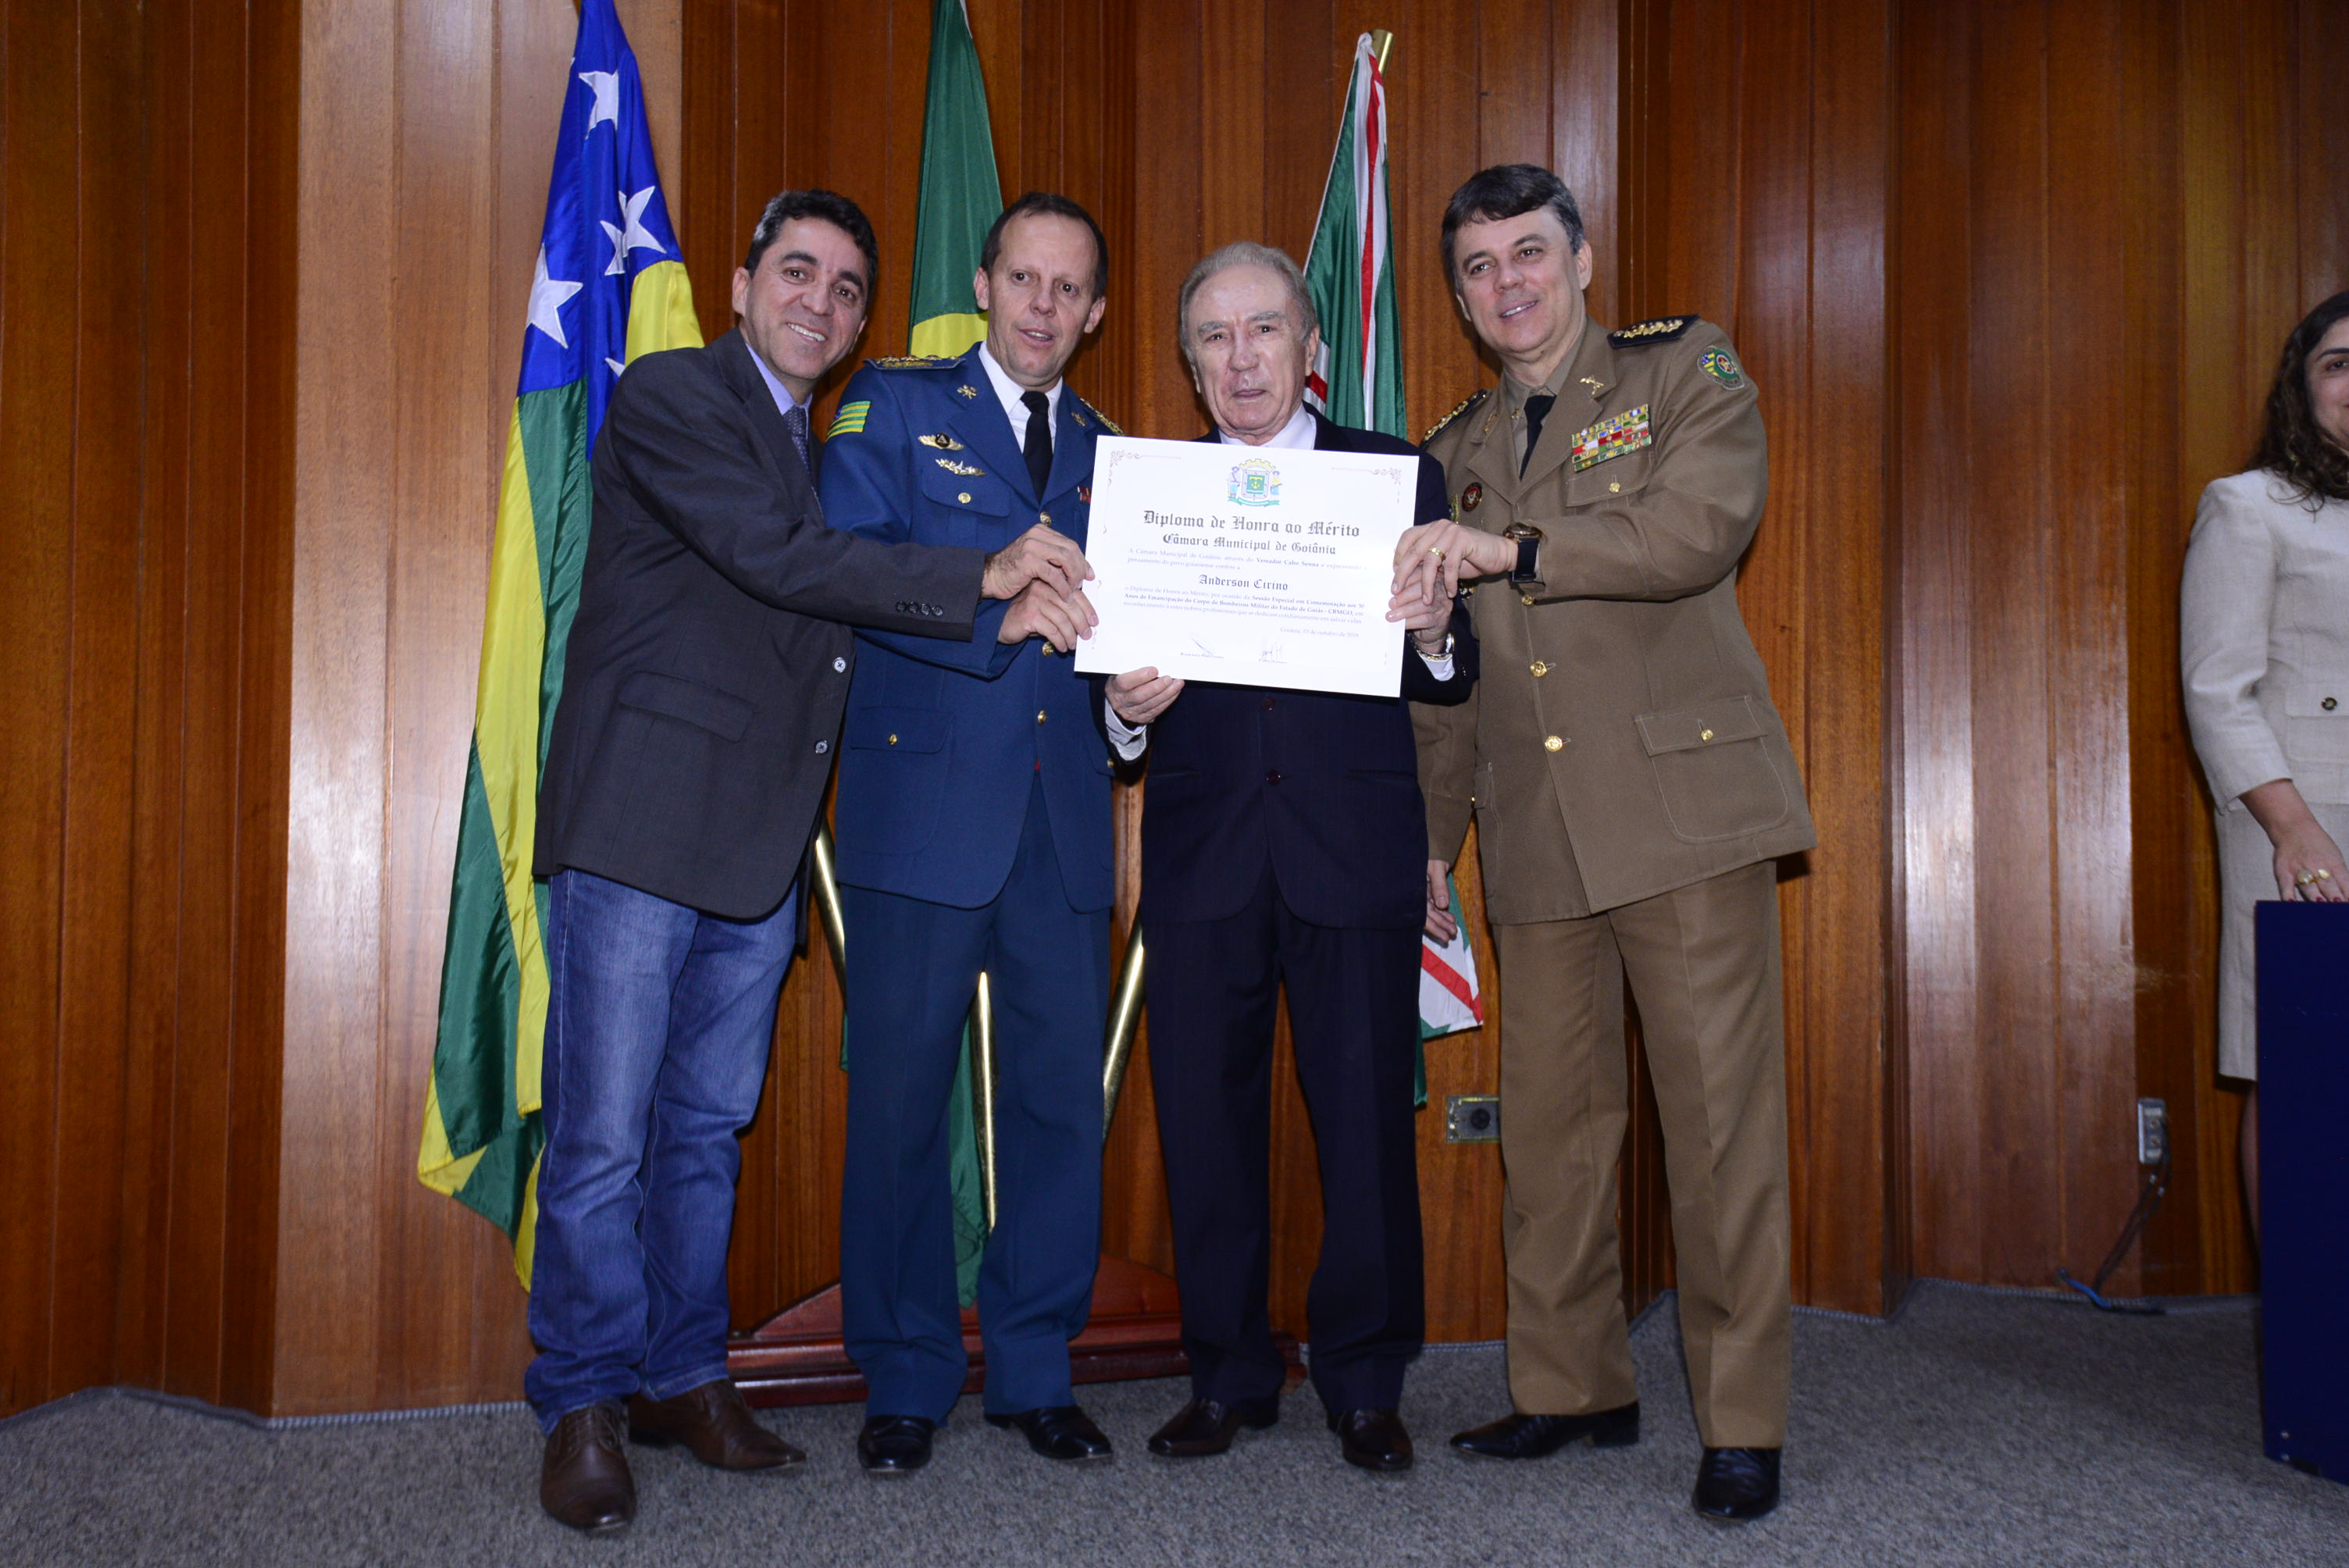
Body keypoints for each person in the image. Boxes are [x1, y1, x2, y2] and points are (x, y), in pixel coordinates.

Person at [526, 188, 1087, 1534]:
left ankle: (681, 1374)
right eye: (796, 272)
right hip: (642, 818)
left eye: (845, 288)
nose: (819, 303)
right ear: (739, 285)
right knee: (601, 1137)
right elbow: (783, 558)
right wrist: (982, 580)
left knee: (704, 1129)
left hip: (759, 834)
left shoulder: (815, 435)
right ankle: (582, 1399)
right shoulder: (676, 396)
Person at [1391, 164, 1815, 1523]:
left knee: (1718, 1130)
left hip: (1681, 815)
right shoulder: (1449, 448)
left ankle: (1740, 1418)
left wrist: (1507, 550)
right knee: (1552, 1135)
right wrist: (1429, 845)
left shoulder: (1680, 371)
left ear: (1580, 261)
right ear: (1458, 296)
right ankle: (1572, 1385)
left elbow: (1697, 529)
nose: (1505, 282)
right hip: (1532, 830)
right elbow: (1447, 684)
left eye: (1528, 253)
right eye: (1477, 266)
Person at [1120, 244, 1475, 1474]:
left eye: (1264, 329)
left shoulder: (1396, 476)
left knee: (1367, 1129)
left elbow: (1454, 673)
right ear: (1190, 363)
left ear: (1311, 348)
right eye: (1214, 337)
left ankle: (1366, 1382)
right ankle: (1227, 1375)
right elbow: (1116, 707)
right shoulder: (1151, 495)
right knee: (1204, 1127)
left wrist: (1433, 631)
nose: (1241, 359)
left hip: (1353, 849)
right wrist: (1125, 710)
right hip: (1204, 851)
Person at [818, 192, 1133, 1475]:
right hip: (922, 815)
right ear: (984, 283)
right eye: (1024, 279)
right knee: (899, 1101)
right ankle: (903, 1371)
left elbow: (1125, 631)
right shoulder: (893, 409)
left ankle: (1036, 1368)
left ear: (1095, 312)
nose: (1043, 306)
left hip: (1063, 820)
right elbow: (842, 568)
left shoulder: (1117, 455)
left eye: (1069, 288)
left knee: (1059, 1105)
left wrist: (1138, 698)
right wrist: (988, 611)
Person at [2180, 289, 2349, 1226]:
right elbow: (2216, 689)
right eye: (2338, 363)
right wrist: (2292, 829)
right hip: (2304, 831)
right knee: (2302, 1072)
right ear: (2301, 386)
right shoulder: (2247, 507)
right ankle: (2306, 1311)